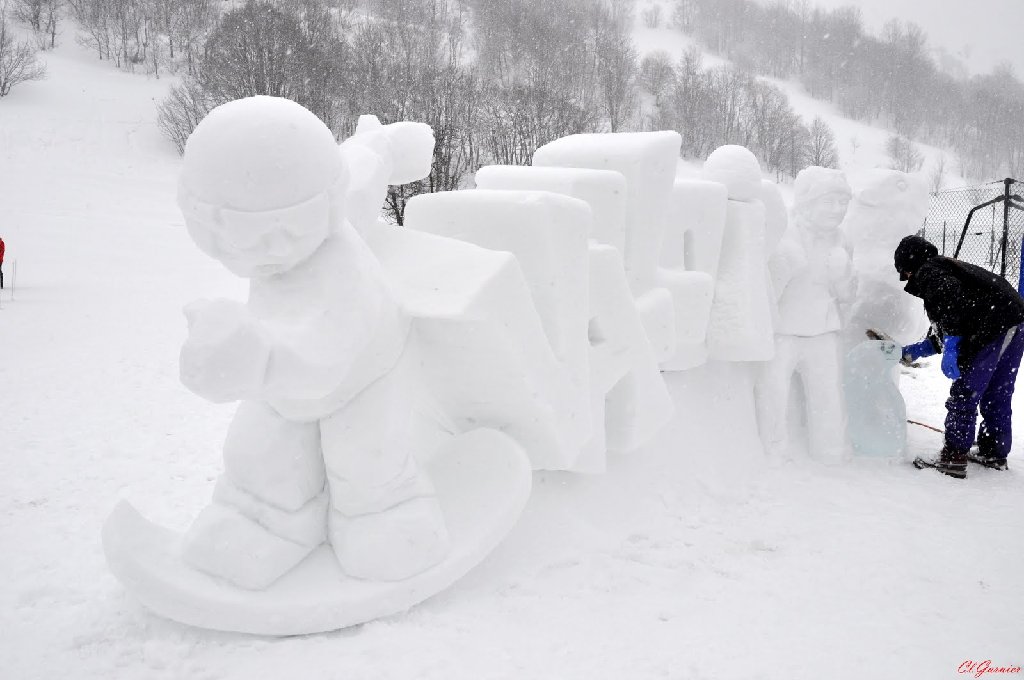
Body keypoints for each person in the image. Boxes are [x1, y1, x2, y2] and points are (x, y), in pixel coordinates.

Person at [896, 235, 1024, 478]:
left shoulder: (929, 271)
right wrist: (918, 350)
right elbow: (957, 313)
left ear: (910, 266)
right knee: (997, 391)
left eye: (906, 274)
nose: (909, 280)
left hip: (994, 326)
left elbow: (950, 304)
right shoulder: (948, 268)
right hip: (1012, 321)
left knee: (966, 392)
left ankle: (953, 457)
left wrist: (953, 343)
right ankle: (993, 451)